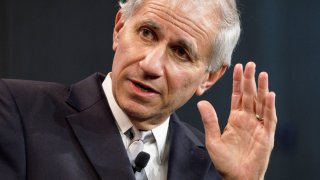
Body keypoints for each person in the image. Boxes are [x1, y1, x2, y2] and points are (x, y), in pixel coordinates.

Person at [0, 0, 277, 179]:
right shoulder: (17, 109)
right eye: (147, 33)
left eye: (181, 52)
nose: (151, 65)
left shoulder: (215, 166)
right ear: (119, 28)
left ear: (210, 77)